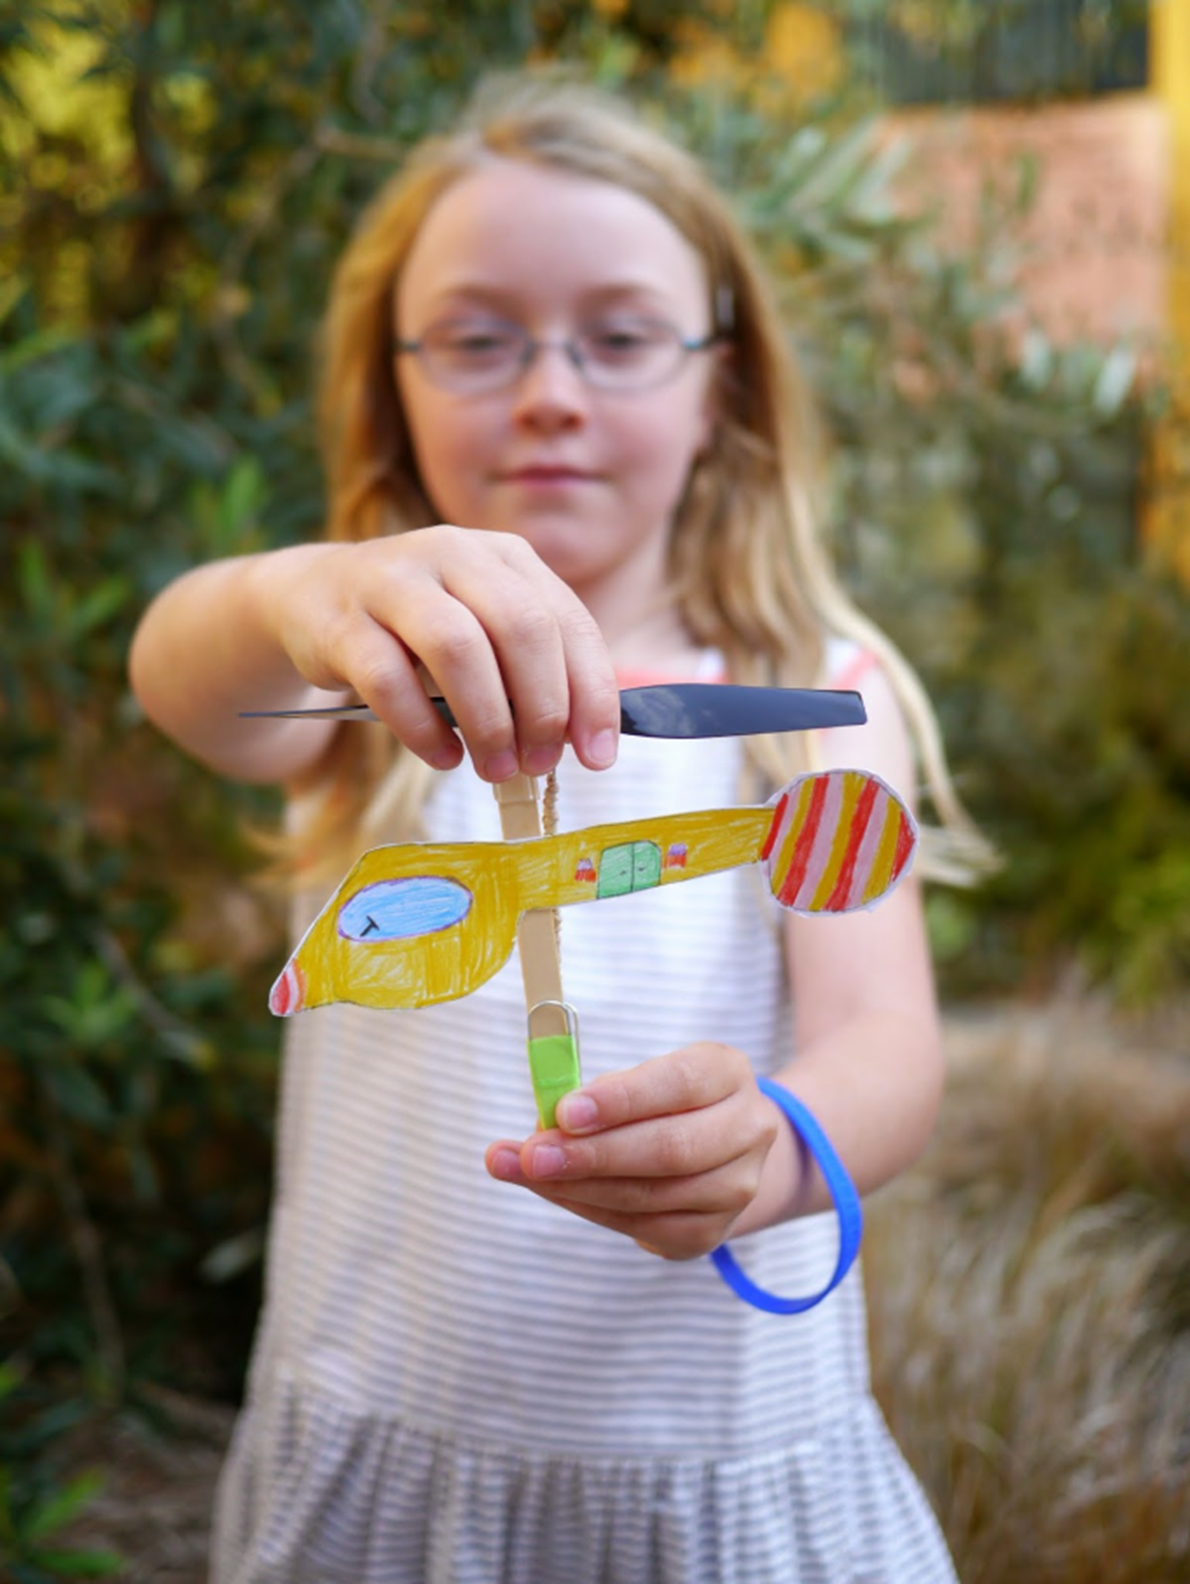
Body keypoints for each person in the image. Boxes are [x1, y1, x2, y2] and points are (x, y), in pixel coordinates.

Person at [129, 71, 978, 1584]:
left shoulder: (817, 696)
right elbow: (178, 673)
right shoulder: (361, 674)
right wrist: (303, 590)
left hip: (708, 1470)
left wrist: (772, 1147)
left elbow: (888, 1047)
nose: (548, 392)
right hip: (387, 1451)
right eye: (477, 338)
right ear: (391, 381)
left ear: (722, 385)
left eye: (621, 335)